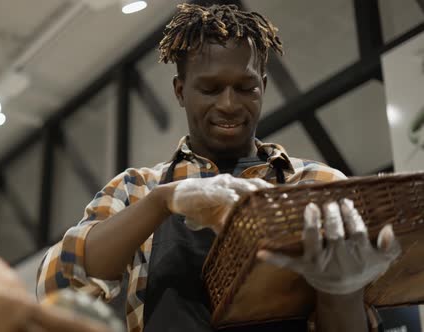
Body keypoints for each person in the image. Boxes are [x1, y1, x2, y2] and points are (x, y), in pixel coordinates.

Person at [37, 3, 400, 332]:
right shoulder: (138, 189)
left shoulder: (315, 184)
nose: (229, 104)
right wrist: (162, 202)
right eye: (210, 89)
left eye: (246, 88)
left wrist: (341, 290)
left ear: (264, 87)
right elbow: (55, 285)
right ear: (180, 91)